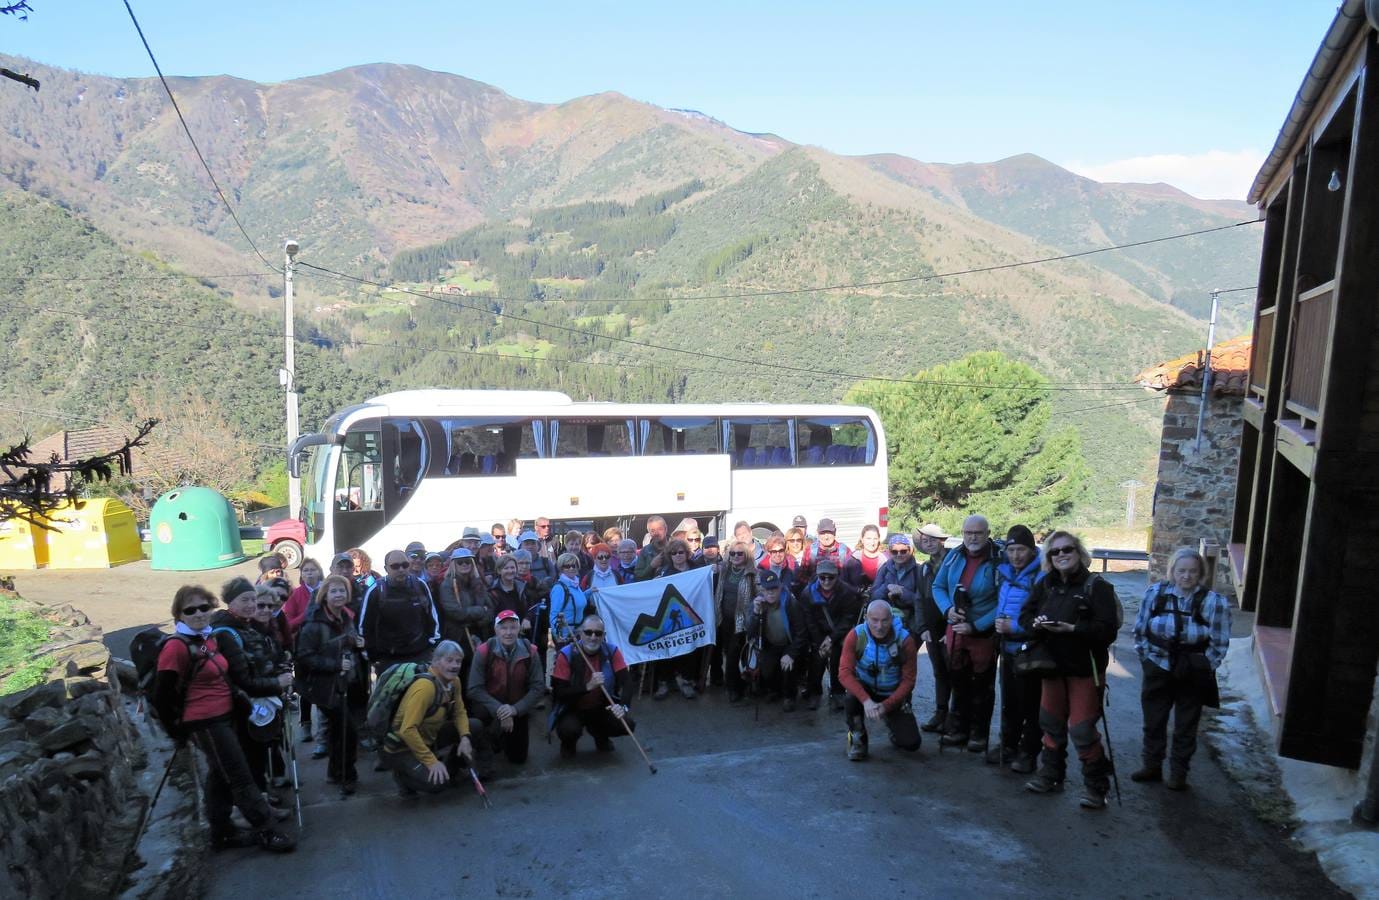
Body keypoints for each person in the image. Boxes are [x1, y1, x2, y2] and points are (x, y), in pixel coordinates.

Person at [152, 586, 295, 852]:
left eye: (204, 607)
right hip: (204, 721)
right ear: (178, 614)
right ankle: (266, 830)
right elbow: (161, 696)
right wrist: (176, 731)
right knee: (239, 776)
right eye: (190, 610)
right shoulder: (176, 647)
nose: (198, 614)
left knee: (220, 775)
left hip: (223, 715)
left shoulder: (206, 639)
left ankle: (221, 832)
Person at [1019, 530, 1121, 810]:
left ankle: (1097, 788)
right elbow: (1025, 616)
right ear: (1049, 558)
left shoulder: (1097, 587)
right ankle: (1051, 775)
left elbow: (1108, 630)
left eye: (1068, 550)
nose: (1062, 555)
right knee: (1050, 723)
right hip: (1051, 666)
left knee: (1082, 728)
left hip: (1084, 669)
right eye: (1055, 552)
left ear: (1079, 553)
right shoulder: (1045, 585)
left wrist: (1074, 629)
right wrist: (1036, 625)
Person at [1131, 547, 1231, 791]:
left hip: (1192, 670)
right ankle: (1152, 765)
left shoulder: (1213, 602)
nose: (1186, 576)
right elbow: (1140, 630)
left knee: (1186, 724)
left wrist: (1206, 665)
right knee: (1154, 720)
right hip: (1158, 664)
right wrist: (1146, 658)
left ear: (1201, 574)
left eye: (1193, 571)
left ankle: (1178, 773)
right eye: (1181, 570)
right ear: (1172, 571)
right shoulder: (1155, 594)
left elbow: (1219, 641)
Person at [209, 578, 295, 804]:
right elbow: (243, 680)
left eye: (253, 600)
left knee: (257, 756)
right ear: (230, 602)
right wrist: (278, 682)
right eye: (245, 600)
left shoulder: (245, 627)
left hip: (255, 704)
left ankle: (263, 798)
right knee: (251, 758)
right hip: (244, 707)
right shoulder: (228, 633)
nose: (252, 605)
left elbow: (263, 662)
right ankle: (260, 804)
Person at [932, 515, 1002, 752]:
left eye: (978, 533)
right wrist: (947, 609)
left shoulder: (997, 561)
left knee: (982, 685)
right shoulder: (954, 556)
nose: (972, 537)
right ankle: (958, 728)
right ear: (962, 533)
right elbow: (938, 586)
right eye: (968, 532)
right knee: (958, 682)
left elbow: (1004, 602)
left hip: (983, 633)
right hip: (955, 630)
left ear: (987, 533)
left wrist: (978, 625)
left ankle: (978, 733)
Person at [294, 574, 367, 793]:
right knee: (347, 731)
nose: (338, 595)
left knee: (338, 730)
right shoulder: (313, 624)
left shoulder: (346, 616)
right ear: (324, 595)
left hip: (343, 682)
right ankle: (347, 776)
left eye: (342, 591)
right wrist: (335, 664)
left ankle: (335, 774)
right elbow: (304, 656)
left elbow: (346, 641)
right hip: (324, 686)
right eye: (334, 591)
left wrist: (356, 643)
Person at [379, 640, 474, 796]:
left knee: (474, 727)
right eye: (449, 660)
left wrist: (465, 737)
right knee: (438, 784)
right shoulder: (425, 687)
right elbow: (407, 730)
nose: (455, 665)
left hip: (428, 737)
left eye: (458, 661)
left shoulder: (454, 681)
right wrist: (431, 762)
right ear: (435, 662)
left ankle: (451, 768)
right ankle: (402, 775)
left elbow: (459, 711)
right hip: (402, 747)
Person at [838, 599, 921, 760]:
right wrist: (866, 700)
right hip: (866, 689)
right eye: (874, 620)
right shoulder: (856, 635)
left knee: (911, 744)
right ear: (866, 618)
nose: (879, 626)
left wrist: (887, 705)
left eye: (885, 620)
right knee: (851, 696)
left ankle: (891, 722)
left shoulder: (905, 641)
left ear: (892, 619)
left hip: (892, 693)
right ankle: (858, 736)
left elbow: (909, 681)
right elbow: (844, 673)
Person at [993, 525, 1044, 771]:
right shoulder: (1005, 572)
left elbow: (1042, 617)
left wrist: (1013, 627)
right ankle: (1009, 744)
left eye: (1021, 550)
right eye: (1011, 549)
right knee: (1009, 701)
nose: (1016, 555)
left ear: (1032, 551)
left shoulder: (1041, 576)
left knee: (1030, 704)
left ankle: (1029, 752)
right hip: (1007, 647)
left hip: (1029, 648)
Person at [466, 610, 544, 764]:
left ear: (519, 629)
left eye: (513, 627)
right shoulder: (483, 651)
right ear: (496, 630)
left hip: (517, 707)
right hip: (489, 706)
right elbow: (474, 688)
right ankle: (486, 743)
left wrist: (515, 709)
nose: (508, 632)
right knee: (479, 719)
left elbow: (538, 687)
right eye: (503, 628)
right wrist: (501, 711)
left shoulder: (531, 651)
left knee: (518, 759)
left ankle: (501, 739)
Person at [550, 614, 633, 758]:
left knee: (626, 723)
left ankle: (600, 734)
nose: (593, 637)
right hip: (573, 708)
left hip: (601, 706)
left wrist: (623, 707)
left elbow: (627, 682)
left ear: (603, 636)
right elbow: (559, 693)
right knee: (569, 729)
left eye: (598, 633)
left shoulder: (612, 651)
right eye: (588, 632)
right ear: (580, 633)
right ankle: (568, 743)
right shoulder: (566, 654)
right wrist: (587, 687)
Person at [359, 550, 441, 677]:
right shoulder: (375, 591)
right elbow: (364, 628)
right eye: (395, 566)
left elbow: (432, 618)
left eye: (405, 565)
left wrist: (431, 647)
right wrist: (374, 657)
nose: (401, 569)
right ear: (386, 568)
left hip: (419, 656)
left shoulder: (420, 585)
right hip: (388, 660)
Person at [801, 559, 865, 711]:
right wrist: (821, 641)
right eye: (822, 577)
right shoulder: (807, 593)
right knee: (817, 657)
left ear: (837, 577)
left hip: (839, 632)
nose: (826, 581)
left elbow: (848, 618)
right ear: (817, 576)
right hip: (818, 632)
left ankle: (838, 692)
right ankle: (814, 692)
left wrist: (832, 638)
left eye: (831, 577)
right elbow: (809, 621)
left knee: (839, 656)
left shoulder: (847, 592)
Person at [912, 524, 952, 735]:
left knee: (956, 672)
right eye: (925, 541)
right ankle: (940, 713)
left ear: (941, 541)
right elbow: (919, 599)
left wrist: (952, 630)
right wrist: (922, 627)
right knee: (939, 672)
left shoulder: (955, 562)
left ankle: (954, 719)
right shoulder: (924, 568)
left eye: (932, 540)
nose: (929, 544)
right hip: (932, 627)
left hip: (952, 626)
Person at [746, 570, 807, 710]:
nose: (771, 592)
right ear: (762, 589)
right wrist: (755, 613)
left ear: (780, 587)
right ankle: (774, 690)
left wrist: (791, 653)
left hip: (789, 644)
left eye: (774, 588)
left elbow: (801, 632)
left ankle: (789, 696)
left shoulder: (791, 603)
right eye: (767, 589)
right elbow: (750, 632)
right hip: (770, 644)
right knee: (767, 670)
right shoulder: (758, 603)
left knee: (788, 667)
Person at [650, 538, 701, 700]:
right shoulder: (664, 572)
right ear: (669, 555)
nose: (678, 555)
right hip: (670, 616)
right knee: (667, 649)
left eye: (681, 552)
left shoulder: (698, 569)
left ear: (687, 553)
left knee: (689, 650)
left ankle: (686, 682)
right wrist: (654, 583)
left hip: (691, 615)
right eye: (673, 553)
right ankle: (664, 682)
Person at [716, 540, 758, 702]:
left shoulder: (752, 573)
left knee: (736, 653)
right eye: (732, 553)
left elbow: (760, 592)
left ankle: (735, 687)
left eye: (740, 553)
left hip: (742, 620)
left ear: (746, 555)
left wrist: (759, 603)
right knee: (729, 652)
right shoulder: (724, 570)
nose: (736, 556)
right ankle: (735, 686)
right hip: (724, 618)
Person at [438, 548, 492, 652]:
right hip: (459, 636)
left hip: (481, 632)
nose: (464, 564)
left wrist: (479, 622)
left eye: (467, 561)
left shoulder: (478, 582)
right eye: (460, 562)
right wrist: (481, 610)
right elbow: (455, 612)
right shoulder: (447, 585)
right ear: (454, 564)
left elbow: (490, 608)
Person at [871, 532, 921, 624]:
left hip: (909, 620)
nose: (899, 555)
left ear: (910, 550)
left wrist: (902, 593)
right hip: (885, 618)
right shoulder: (884, 568)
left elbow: (920, 602)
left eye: (903, 551)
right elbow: (874, 597)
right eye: (894, 552)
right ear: (889, 552)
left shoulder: (918, 571)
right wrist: (887, 586)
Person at [282, 558, 323, 640]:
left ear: (319, 572)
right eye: (305, 570)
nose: (309, 573)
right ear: (301, 574)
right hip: (305, 639)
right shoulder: (295, 594)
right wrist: (305, 615)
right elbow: (288, 625)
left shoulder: (329, 589)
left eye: (313, 570)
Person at [489, 556, 533, 629]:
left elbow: (531, 605)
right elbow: (492, 616)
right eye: (506, 568)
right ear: (499, 571)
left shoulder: (523, 586)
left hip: (524, 630)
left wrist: (527, 618)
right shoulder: (493, 591)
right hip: (503, 632)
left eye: (512, 567)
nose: (510, 571)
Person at [843, 524, 887, 596]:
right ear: (862, 539)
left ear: (879, 539)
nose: (872, 543)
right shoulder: (852, 558)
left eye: (875, 539)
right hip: (855, 599)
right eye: (868, 538)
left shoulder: (886, 559)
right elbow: (843, 582)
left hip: (880, 599)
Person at [758, 532, 796, 597]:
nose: (778, 554)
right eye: (774, 551)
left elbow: (793, 590)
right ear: (769, 553)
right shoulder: (760, 570)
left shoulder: (791, 568)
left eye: (781, 550)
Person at [635, 515, 669, 580]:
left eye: (660, 529)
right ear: (649, 532)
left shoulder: (676, 548)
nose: (656, 533)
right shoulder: (644, 551)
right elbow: (637, 576)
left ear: (666, 529)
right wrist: (651, 566)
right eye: (653, 530)